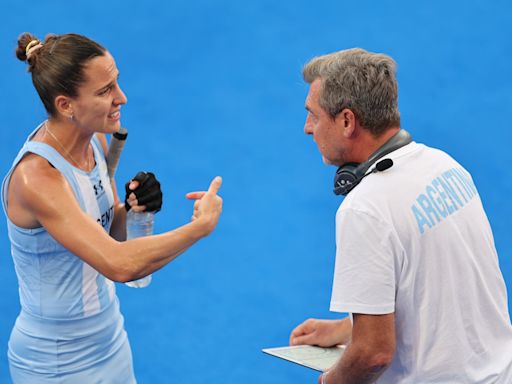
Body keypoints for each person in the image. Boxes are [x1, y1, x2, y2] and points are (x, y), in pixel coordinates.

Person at [1, 32, 223, 383]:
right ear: (65, 105)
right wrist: (199, 228)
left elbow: (106, 231)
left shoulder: (97, 139)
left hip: (110, 341)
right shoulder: (36, 179)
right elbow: (119, 264)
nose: (122, 97)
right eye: (105, 91)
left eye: (116, 82)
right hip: (55, 364)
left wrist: (134, 211)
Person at [289, 48, 512, 383]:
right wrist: (343, 329)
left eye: (314, 115)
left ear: (347, 121)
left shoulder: (365, 207)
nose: (308, 128)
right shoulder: (446, 167)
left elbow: (373, 353)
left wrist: (330, 381)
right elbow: (436, 292)